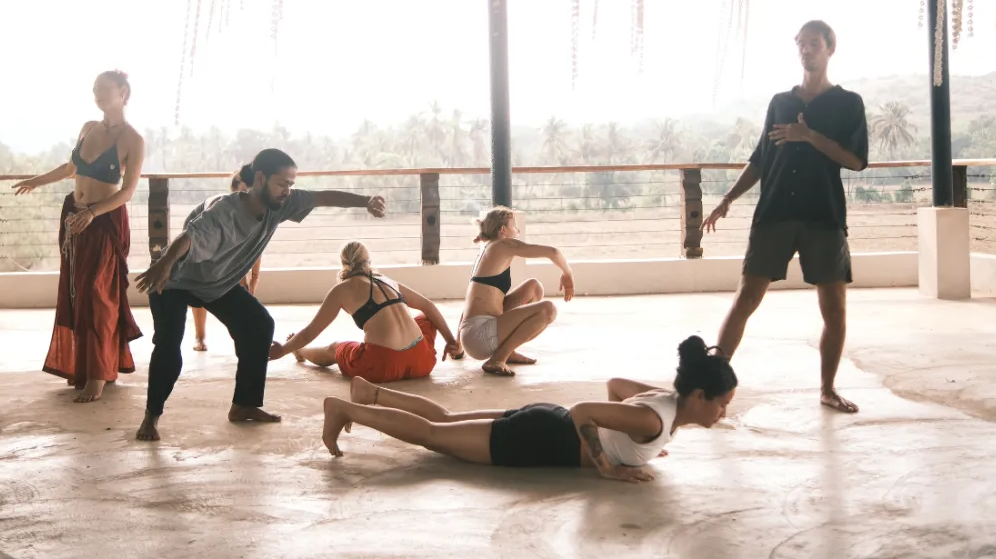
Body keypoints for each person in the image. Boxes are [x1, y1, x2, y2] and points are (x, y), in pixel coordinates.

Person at [133, 148, 387, 441]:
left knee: (258, 326)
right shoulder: (225, 211)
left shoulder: (281, 204)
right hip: (173, 280)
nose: (287, 190)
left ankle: (245, 405)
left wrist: (365, 201)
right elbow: (188, 237)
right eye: (282, 184)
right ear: (261, 178)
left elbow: (321, 197)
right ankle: (151, 417)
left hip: (217, 284)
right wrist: (164, 263)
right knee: (168, 344)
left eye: (291, 184)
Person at [702, 19, 869, 414]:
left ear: (830, 48)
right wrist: (727, 198)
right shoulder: (780, 102)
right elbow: (761, 159)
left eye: (814, 43)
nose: (806, 50)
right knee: (746, 298)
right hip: (774, 212)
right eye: (801, 44)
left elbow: (856, 160)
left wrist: (809, 136)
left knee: (835, 309)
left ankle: (827, 389)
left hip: (823, 216)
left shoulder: (848, 103)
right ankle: (710, 387)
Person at [320, 335, 737, 484]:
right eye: (722, 404)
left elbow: (616, 386)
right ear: (700, 395)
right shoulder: (653, 419)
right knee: (433, 437)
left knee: (443, 420)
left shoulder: (664, 403)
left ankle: (371, 393)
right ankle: (345, 410)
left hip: (544, 421)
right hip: (538, 439)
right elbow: (583, 411)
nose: (723, 413)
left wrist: (624, 442)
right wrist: (608, 466)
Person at [13, 70, 146, 403]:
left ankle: (99, 375)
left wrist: (93, 213)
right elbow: (70, 169)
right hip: (74, 215)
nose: (97, 93)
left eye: (104, 88)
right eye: (95, 88)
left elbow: (127, 192)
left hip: (104, 220)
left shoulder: (133, 139)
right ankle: (91, 367)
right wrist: (36, 181)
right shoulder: (88, 128)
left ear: (123, 92)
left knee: (99, 295)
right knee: (78, 294)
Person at [268, 241, 461, 383]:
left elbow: (310, 331)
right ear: (368, 261)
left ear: (343, 263)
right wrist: (451, 342)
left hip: (382, 366)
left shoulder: (341, 290)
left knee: (335, 348)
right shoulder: (386, 280)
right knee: (425, 318)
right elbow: (429, 306)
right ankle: (454, 348)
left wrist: (283, 350)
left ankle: (301, 351)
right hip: (422, 361)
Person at [453, 206, 574, 377]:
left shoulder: (488, 250)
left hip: (474, 334)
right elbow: (552, 252)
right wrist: (567, 274)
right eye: (514, 226)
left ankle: (507, 352)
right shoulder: (502, 245)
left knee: (533, 287)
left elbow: (472, 302)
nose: (518, 230)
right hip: (480, 336)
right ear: (503, 230)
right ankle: (498, 358)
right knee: (549, 309)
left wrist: (459, 346)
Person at [191, 170, 262, 352]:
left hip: (227, 243)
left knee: (241, 291)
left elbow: (256, 246)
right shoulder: (222, 207)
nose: (248, 194)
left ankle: (243, 337)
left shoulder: (257, 209)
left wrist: (253, 279)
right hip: (201, 236)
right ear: (234, 190)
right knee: (200, 286)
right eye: (244, 189)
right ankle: (200, 336)